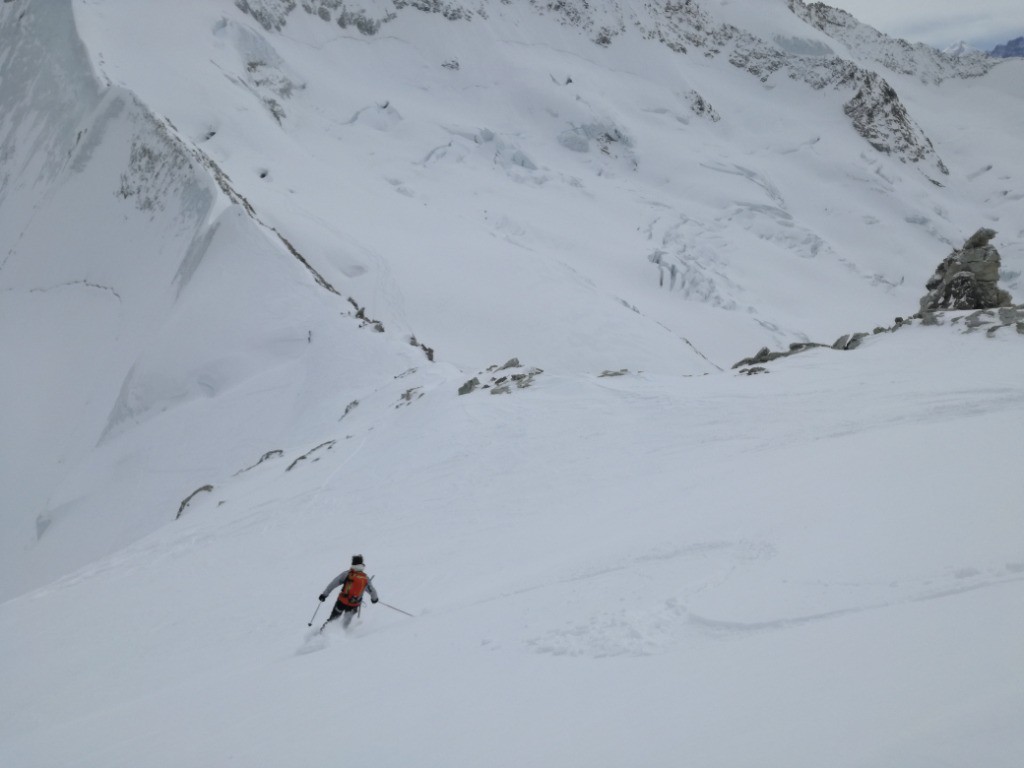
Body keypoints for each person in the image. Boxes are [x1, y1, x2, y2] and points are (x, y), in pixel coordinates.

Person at [318, 554, 378, 629]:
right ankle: (341, 635)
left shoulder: (347, 574)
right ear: (362, 564)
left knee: (333, 620)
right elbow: (372, 590)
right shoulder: (365, 578)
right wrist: (374, 599)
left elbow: (333, 583)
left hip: (341, 601)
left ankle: (324, 632)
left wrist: (324, 594)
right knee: (345, 624)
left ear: (353, 564)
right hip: (354, 604)